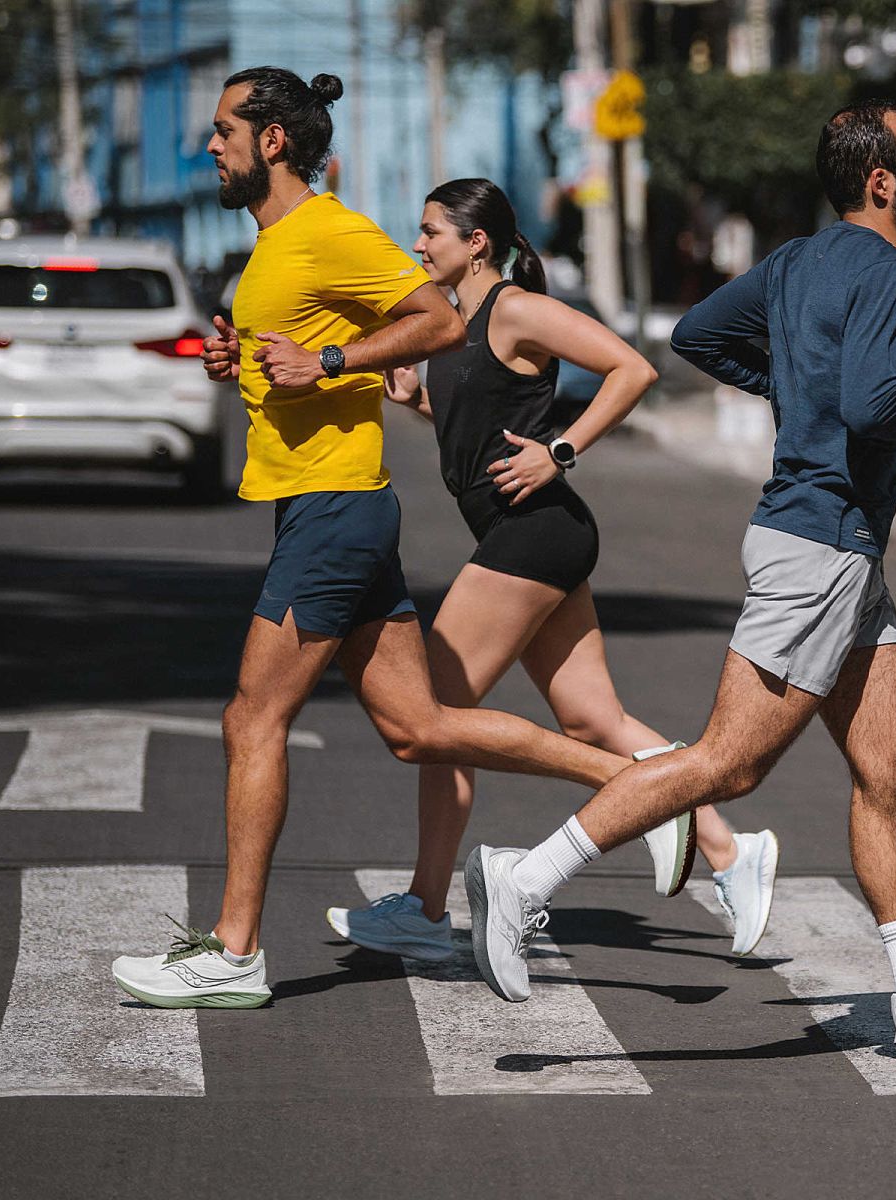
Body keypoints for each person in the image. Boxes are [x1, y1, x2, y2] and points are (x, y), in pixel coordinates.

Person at [463, 101, 896, 1052]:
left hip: (841, 551)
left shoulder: (797, 261)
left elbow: (697, 337)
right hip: (821, 541)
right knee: (729, 761)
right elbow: (875, 402)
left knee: (887, 768)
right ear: (883, 181)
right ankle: (525, 880)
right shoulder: (893, 275)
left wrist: (795, 393)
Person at [110, 68, 653, 1010]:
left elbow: (436, 319)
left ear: (272, 140)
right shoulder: (274, 247)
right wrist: (244, 358)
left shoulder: (327, 229)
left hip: (333, 511)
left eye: (222, 130)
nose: (211, 146)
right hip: (325, 506)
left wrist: (324, 360)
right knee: (421, 729)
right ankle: (645, 783)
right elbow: (334, 350)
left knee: (252, 717)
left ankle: (233, 952)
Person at [325, 179, 778, 963]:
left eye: (431, 231)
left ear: (477, 243)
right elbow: (481, 425)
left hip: (533, 534)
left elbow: (630, 368)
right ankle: (730, 849)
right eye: (418, 230)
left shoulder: (514, 308)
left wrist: (560, 451)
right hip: (531, 537)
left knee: (433, 712)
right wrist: (416, 404)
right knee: (590, 718)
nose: (418, 244)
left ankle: (426, 910)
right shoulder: (450, 324)